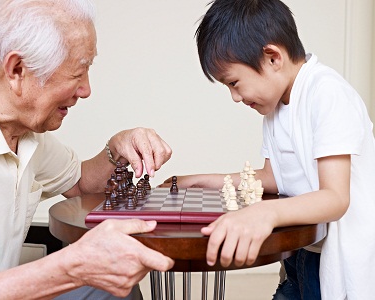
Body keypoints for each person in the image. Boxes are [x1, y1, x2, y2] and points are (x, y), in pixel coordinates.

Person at [160, 0, 375, 299]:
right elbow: (273, 177)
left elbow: (336, 198)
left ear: (273, 58)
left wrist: (265, 213)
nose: (235, 97)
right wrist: (205, 180)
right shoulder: (275, 106)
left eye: (234, 83)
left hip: (339, 255)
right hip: (302, 249)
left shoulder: (327, 93)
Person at [0, 0, 175, 299]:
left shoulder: (25, 133)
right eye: (77, 73)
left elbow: (79, 182)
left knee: (111, 284)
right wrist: (68, 268)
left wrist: (115, 148)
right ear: (17, 70)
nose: (86, 90)